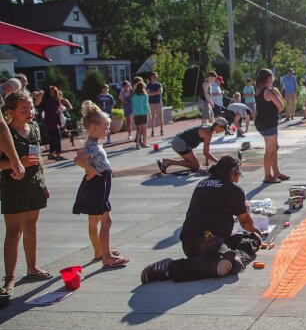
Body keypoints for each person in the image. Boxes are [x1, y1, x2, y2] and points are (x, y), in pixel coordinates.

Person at [141, 156, 263, 284]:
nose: (238, 179)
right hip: (206, 242)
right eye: (239, 175)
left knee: (252, 239)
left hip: (191, 241)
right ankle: (170, 268)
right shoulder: (233, 189)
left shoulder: (203, 183)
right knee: (224, 264)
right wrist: (254, 226)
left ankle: (231, 258)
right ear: (233, 173)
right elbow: (245, 223)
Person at [1, 92, 51, 297]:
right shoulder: (5, 134)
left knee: (31, 226)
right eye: (24, 109)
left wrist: (44, 184)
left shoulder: (35, 128)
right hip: (13, 188)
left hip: (34, 185)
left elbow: (38, 159)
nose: (30, 112)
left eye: (31, 108)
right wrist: (17, 161)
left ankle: (32, 268)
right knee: (13, 231)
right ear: (10, 112)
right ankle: (9, 277)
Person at [73, 101, 129, 268]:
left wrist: (92, 169)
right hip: (97, 187)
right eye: (105, 128)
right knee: (107, 221)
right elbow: (78, 159)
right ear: (92, 128)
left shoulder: (93, 144)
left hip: (96, 186)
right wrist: (93, 170)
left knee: (93, 221)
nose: (107, 130)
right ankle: (107, 256)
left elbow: (80, 155)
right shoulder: (93, 146)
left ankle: (99, 251)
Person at [254, 69, 289, 183]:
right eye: (272, 77)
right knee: (270, 150)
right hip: (268, 124)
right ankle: (267, 175)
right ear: (268, 78)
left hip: (264, 123)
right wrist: (277, 92)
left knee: (275, 148)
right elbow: (281, 106)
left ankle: (276, 172)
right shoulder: (269, 91)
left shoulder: (259, 89)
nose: (273, 79)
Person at [156, 118, 228, 174]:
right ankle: (169, 162)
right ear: (218, 126)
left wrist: (207, 162)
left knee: (193, 165)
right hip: (180, 143)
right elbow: (206, 153)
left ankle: (168, 162)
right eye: (223, 129)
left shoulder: (209, 126)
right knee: (196, 166)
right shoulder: (208, 132)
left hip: (179, 141)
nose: (223, 131)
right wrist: (219, 162)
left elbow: (206, 149)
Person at [41, 86, 71, 161]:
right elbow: (56, 111)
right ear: (48, 92)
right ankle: (58, 155)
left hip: (52, 122)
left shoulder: (52, 100)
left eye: (54, 92)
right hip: (52, 122)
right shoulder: (49, 101)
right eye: (51, 92)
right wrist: (63, 108)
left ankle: (51, 154)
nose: (52, 93)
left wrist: (61, 108)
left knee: (53, 139)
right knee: (57, 138)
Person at [131, 81, 149, 149]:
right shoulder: (145, 95)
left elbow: (133, 105)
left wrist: (133, 114)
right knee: (144, 129)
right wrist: (149, 114)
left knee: (138, 130)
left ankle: (138, 144)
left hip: (136, 114)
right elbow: (146, 105)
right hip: (143, 113)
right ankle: (144, 143)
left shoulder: (134, 95)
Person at [146, 72, 164, 137]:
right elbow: (148, 93)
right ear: (151, 77)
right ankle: (152, 132)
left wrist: (152, 92)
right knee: (152, 118)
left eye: (156, 77)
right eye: (154, 77)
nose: (156, 78)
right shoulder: (148, 85)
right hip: (151, 103)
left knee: (160, 117)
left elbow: (160, 92)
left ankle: (162, 130)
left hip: (158, 102)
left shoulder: (159, 84)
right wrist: (155, 92)